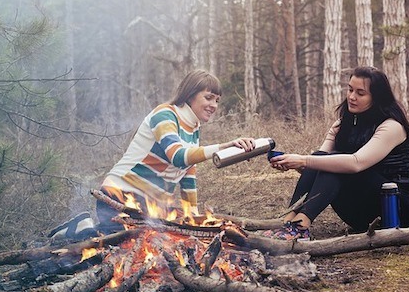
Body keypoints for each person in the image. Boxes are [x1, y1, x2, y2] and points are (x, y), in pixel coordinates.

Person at [49, 69, 255, 240]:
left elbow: (188, 173)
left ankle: (88, 228)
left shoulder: (193, 128)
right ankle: (79, 227)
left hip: (149, 208)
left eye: (217, 100)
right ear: (190, 95)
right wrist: (222, 147)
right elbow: (178, 156)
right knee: (118, 243)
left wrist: (193, 217)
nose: (214, 105)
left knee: (160, 243)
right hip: (119, 196)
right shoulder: (164, 114)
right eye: (208, 97)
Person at [265, 66, 409, 241]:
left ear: (377, 98)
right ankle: (288, 222)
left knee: (334, 164)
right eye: (350, 89)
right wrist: (291, 163)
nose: (352, 97)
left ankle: (300, 227)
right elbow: (317, 165)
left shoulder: (391, 126)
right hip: (361, 212)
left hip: (398, 209)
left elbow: (356, 163)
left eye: (360, 93)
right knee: (321, 158)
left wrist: (303, 160)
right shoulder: (342, 124)